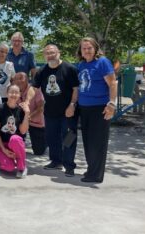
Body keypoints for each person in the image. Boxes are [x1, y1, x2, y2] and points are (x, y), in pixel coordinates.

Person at [32, 44, 79, 176]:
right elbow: (34, 89)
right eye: (47, 53)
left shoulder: (70, 69)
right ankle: (56, 161)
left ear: (59, 52)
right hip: (50, 112)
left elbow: (76, 89)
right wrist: (25, 101)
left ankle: (69, 165)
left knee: (69, 138)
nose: (50, 55)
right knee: (52, 138)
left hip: (67, 112)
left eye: (52, 52)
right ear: (44, 55)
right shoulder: (42, 71)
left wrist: (72, 105)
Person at [77, 37, 117, 183]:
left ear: (95, 49)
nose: (86, 51)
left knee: (97, 143)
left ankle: (96, 175)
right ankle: (91, 170)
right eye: (84, 48)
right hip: (84, 108)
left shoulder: (102, 62)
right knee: (88, 142)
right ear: (80, 50)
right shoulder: (81, 65)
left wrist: (111, 104)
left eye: (89, 48)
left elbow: (112, 83)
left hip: (100, 108)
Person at [0, 84, 30, 178]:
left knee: (15, 138)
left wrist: (27, 114)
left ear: (20, 94)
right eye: (11, 92)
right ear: (7, 93)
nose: (14, 94)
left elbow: (23, 131)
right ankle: (2, 161)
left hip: (14, 144)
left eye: (16, 92)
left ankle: (22, 167)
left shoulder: (21, 110)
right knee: (9, 167)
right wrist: (4, 150)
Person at [13, 72, 46, 155]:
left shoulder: (35, 89)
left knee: (39, 151)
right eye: (16, 78)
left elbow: (41, 108)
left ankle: (47, 139)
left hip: (35, 121)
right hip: (20, 122)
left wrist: (29, 116)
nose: (18, 81)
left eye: (21, 78)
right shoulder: (13, 90)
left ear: (27, 79)